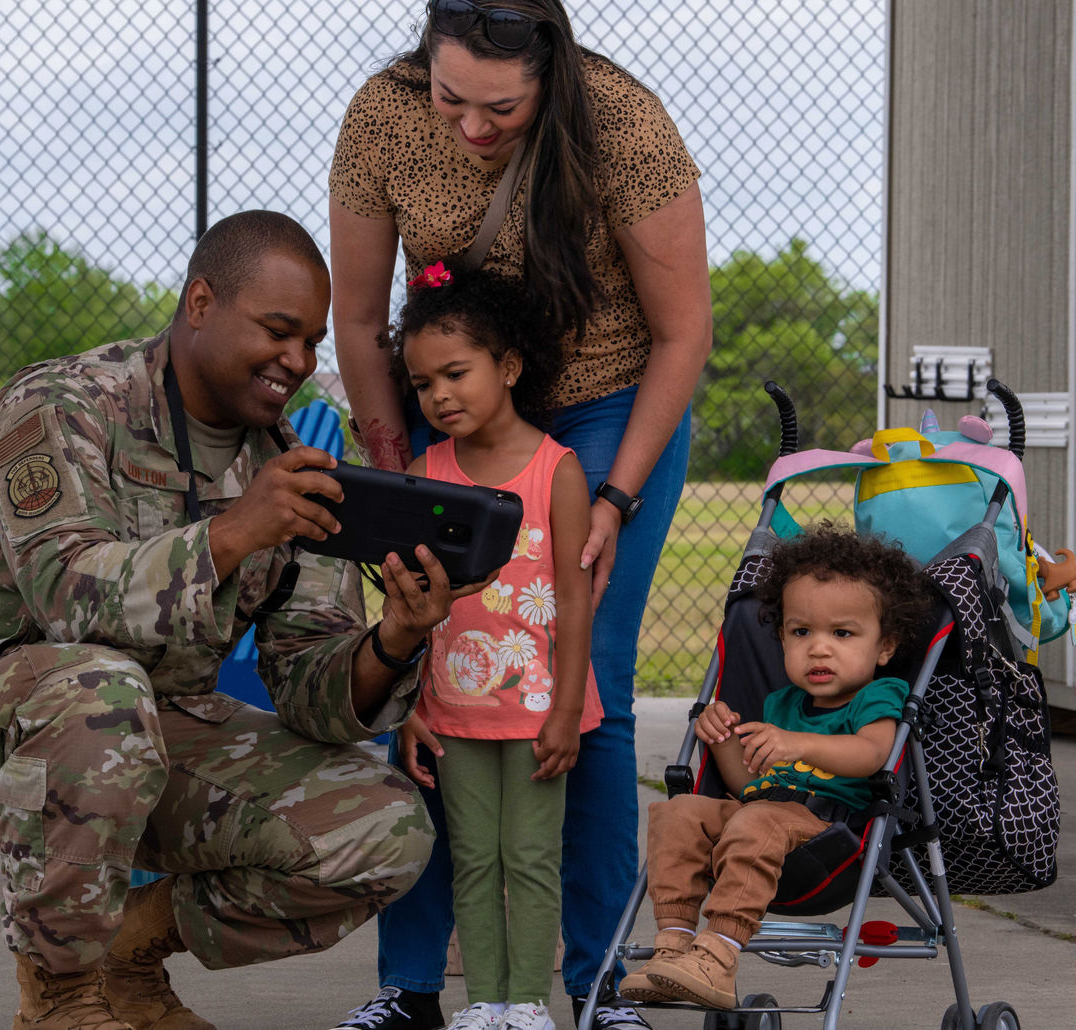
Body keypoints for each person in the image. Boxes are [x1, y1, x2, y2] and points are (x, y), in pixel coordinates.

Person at [0, 211, 468, 1030]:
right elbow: (64, 591)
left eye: (312, 343)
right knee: (100, 690)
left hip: (152, 725)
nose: (297, 363)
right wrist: (235, 531)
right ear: (199, 303)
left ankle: (129, 957)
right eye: (278, 332)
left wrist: (395, 637)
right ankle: (65, 1000)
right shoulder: (62, 404)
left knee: (385, 827)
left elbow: (310, 690)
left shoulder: (289, 467)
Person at [328, 2, 712, 1027]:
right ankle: (408, 987)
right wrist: (393, 468)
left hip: (602, 407)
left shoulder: (622, 125)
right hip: (449, 403)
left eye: (498, 106)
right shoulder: (383, 115)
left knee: (586, 688)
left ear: (551, 72)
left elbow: (682, 333)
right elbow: (361, 319)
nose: (468, 126)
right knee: (423, 657)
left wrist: (616, 497)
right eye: (449, 97)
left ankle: (593, 984)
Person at [391, 264, 604, 1030]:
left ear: (508, 367)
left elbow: (576, 599)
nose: (439, 395)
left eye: (456, 373)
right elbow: (408, 607)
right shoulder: (426, 474)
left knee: (532, 858)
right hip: (452, 710)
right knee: (474, 859)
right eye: (422, 384)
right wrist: (410, 705)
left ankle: (530, 1006)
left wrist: (569, 706)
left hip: (541, 709)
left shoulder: (559, 471)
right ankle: (484, 1003)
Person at [619, 525, 937, 1010]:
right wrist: (724, 739)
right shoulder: (782, 703)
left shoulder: (878, 696)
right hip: (761, 820)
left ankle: (719, 956)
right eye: (801, 631)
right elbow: (751, 786)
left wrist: (797, 745)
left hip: (828, 833)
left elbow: (872, 754)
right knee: (679, 811)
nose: (819, 648)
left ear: (885, 647)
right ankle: (676, 946)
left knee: (757, 820)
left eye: (843, 633)